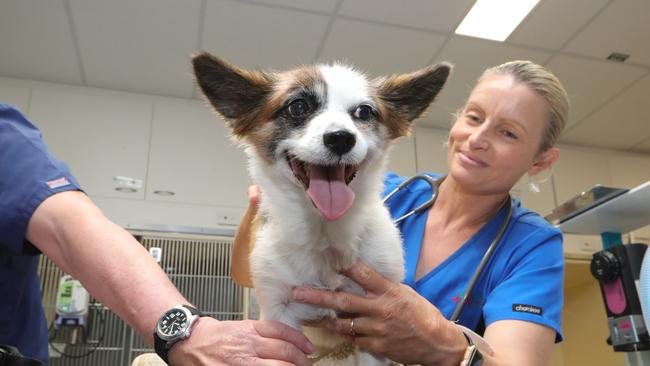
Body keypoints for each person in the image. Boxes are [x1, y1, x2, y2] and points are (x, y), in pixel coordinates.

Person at [233, 60, 569, 366]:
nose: (478, 138)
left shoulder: (532, 245)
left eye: (508, 133)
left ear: (540, 161)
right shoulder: (378, 191)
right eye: (474, 117)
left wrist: (450, 350)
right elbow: (248, 277)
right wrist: (262, 212)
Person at [0, 103, 314, 366]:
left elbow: (67, 225)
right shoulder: (269, 208)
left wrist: (185, 331)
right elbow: (245, 273)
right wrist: (255, 208)